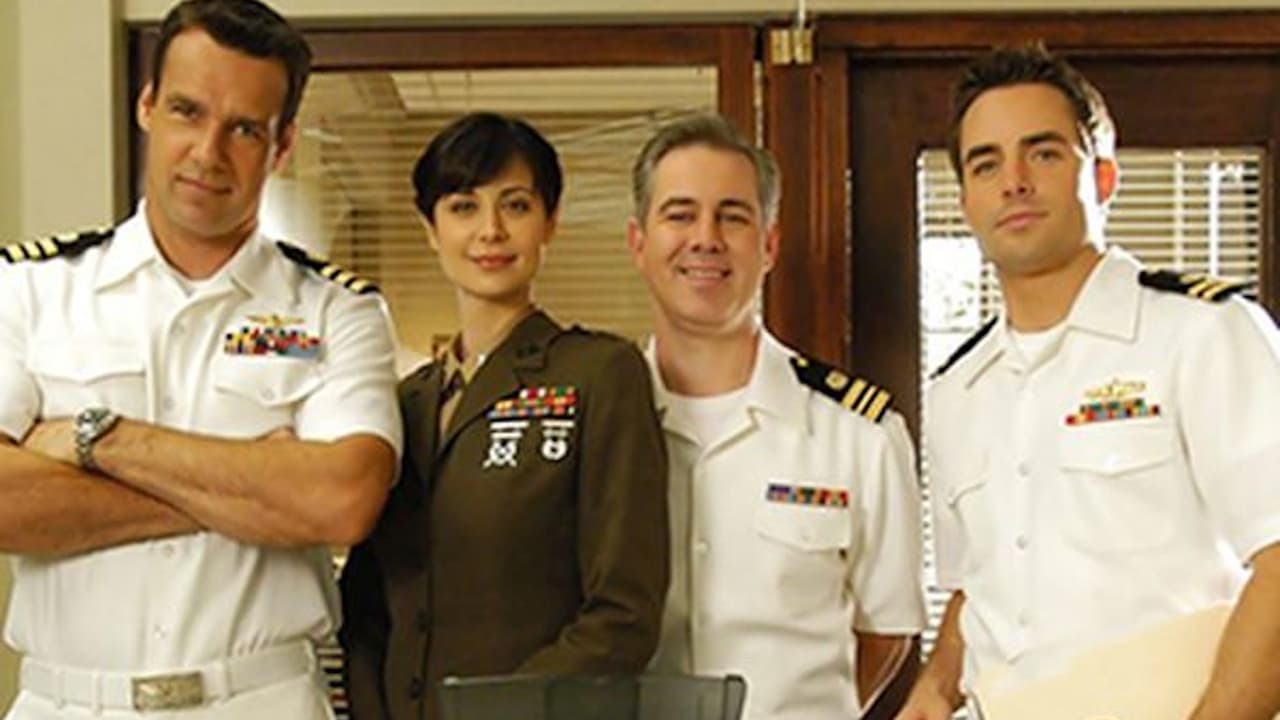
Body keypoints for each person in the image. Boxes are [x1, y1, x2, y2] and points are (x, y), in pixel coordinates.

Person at [0, 1, 403, 718]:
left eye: (244, 128)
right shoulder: (29, 289)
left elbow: (341, 500)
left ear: (282, 145)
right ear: (147, 106)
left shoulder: (337, 310)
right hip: (68, 702)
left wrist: (98, 441)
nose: (208, 152)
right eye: (187, 111)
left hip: (262, 702)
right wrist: (255, 493)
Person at [896, 43, 1280, 720]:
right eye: (986, 164)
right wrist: (934, 687)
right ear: (966, 201)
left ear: (1104, 178)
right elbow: (975, 590)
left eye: (1043, 153)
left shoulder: (1203, 335)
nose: (1014, 181)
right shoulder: (958, 392)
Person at [338, 112, 670, 720]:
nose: (490, 231)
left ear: (550, 222)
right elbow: (365, 609)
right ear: (430, 229)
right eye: (463, 207)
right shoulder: (404, 403)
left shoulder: (599, 374)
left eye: (515, 206)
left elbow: (623, 615)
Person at [626, 113, 926, 720]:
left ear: (768, 245)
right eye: (680, 215)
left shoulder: (860, 434)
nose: (705, 238)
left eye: (733, 216)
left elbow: (885, 632)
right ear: (638, 243)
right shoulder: (601, 425)